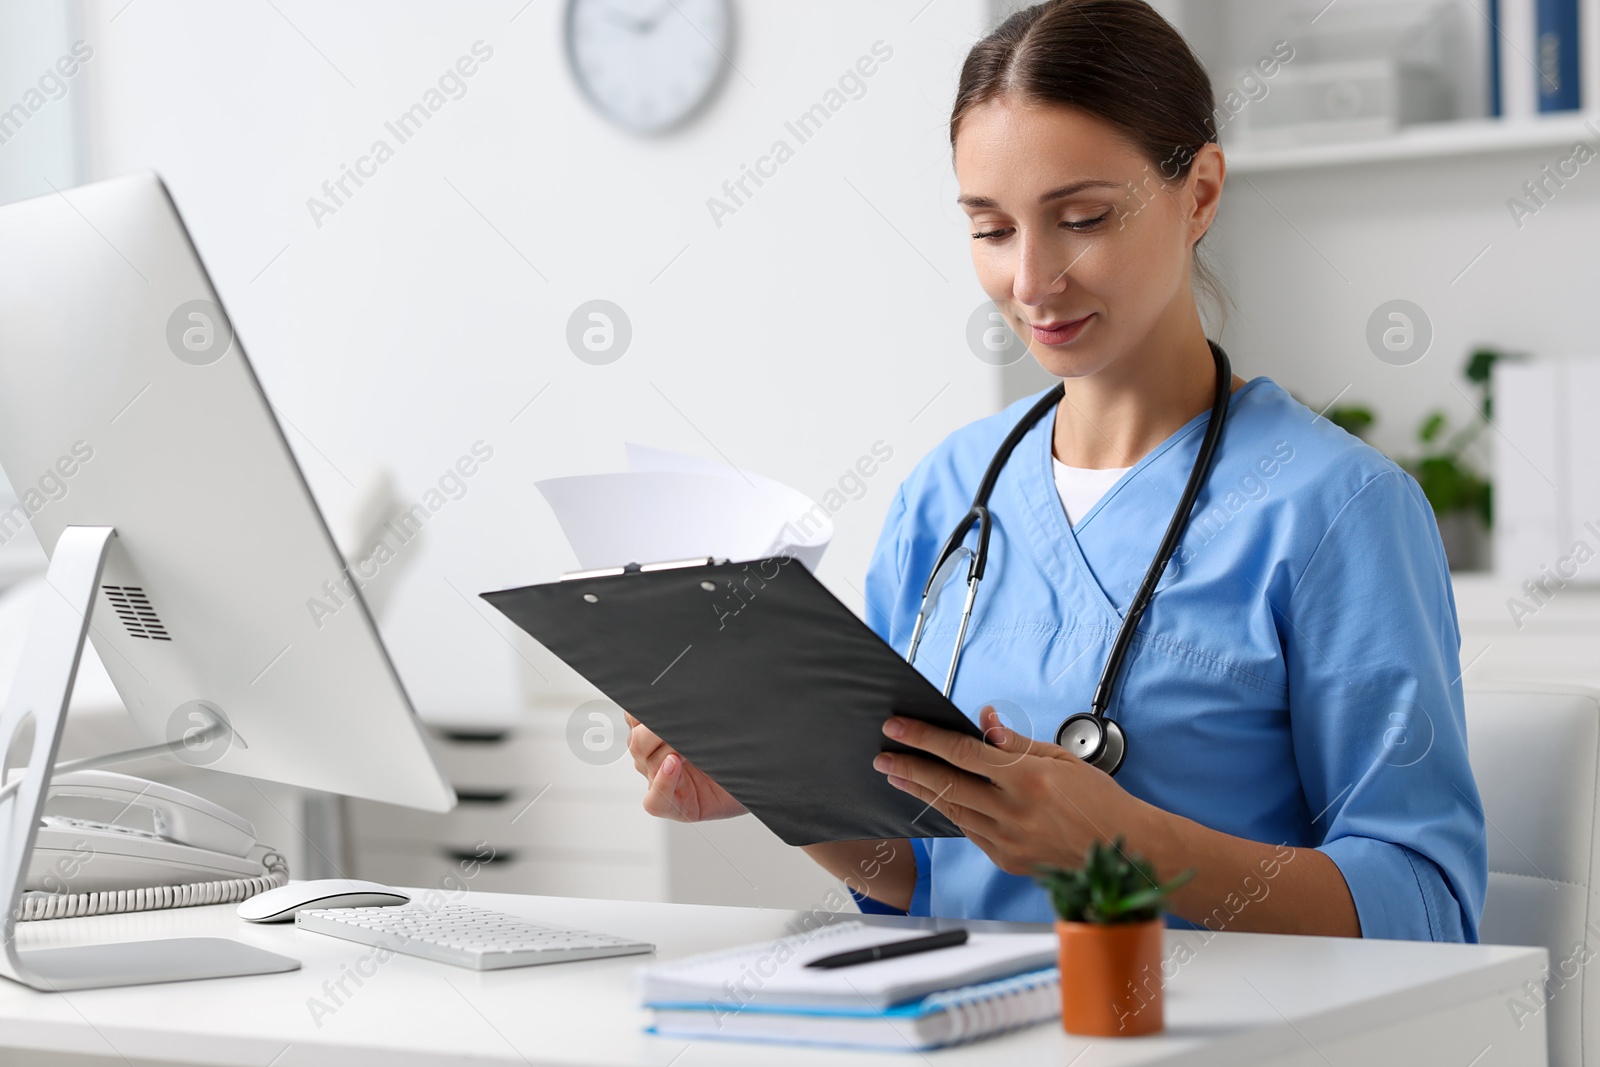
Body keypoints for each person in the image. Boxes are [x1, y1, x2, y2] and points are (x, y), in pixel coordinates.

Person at [624, 0, 1486, 941]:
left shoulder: (1335, 510)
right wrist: (773, 780)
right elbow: (918, 872)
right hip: (964, 1023)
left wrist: (1132, 843)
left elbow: (1428, 907)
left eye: (1080, 219)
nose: (1032, 280)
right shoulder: (948, 494)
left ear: (1199, 194)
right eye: (991, 230)